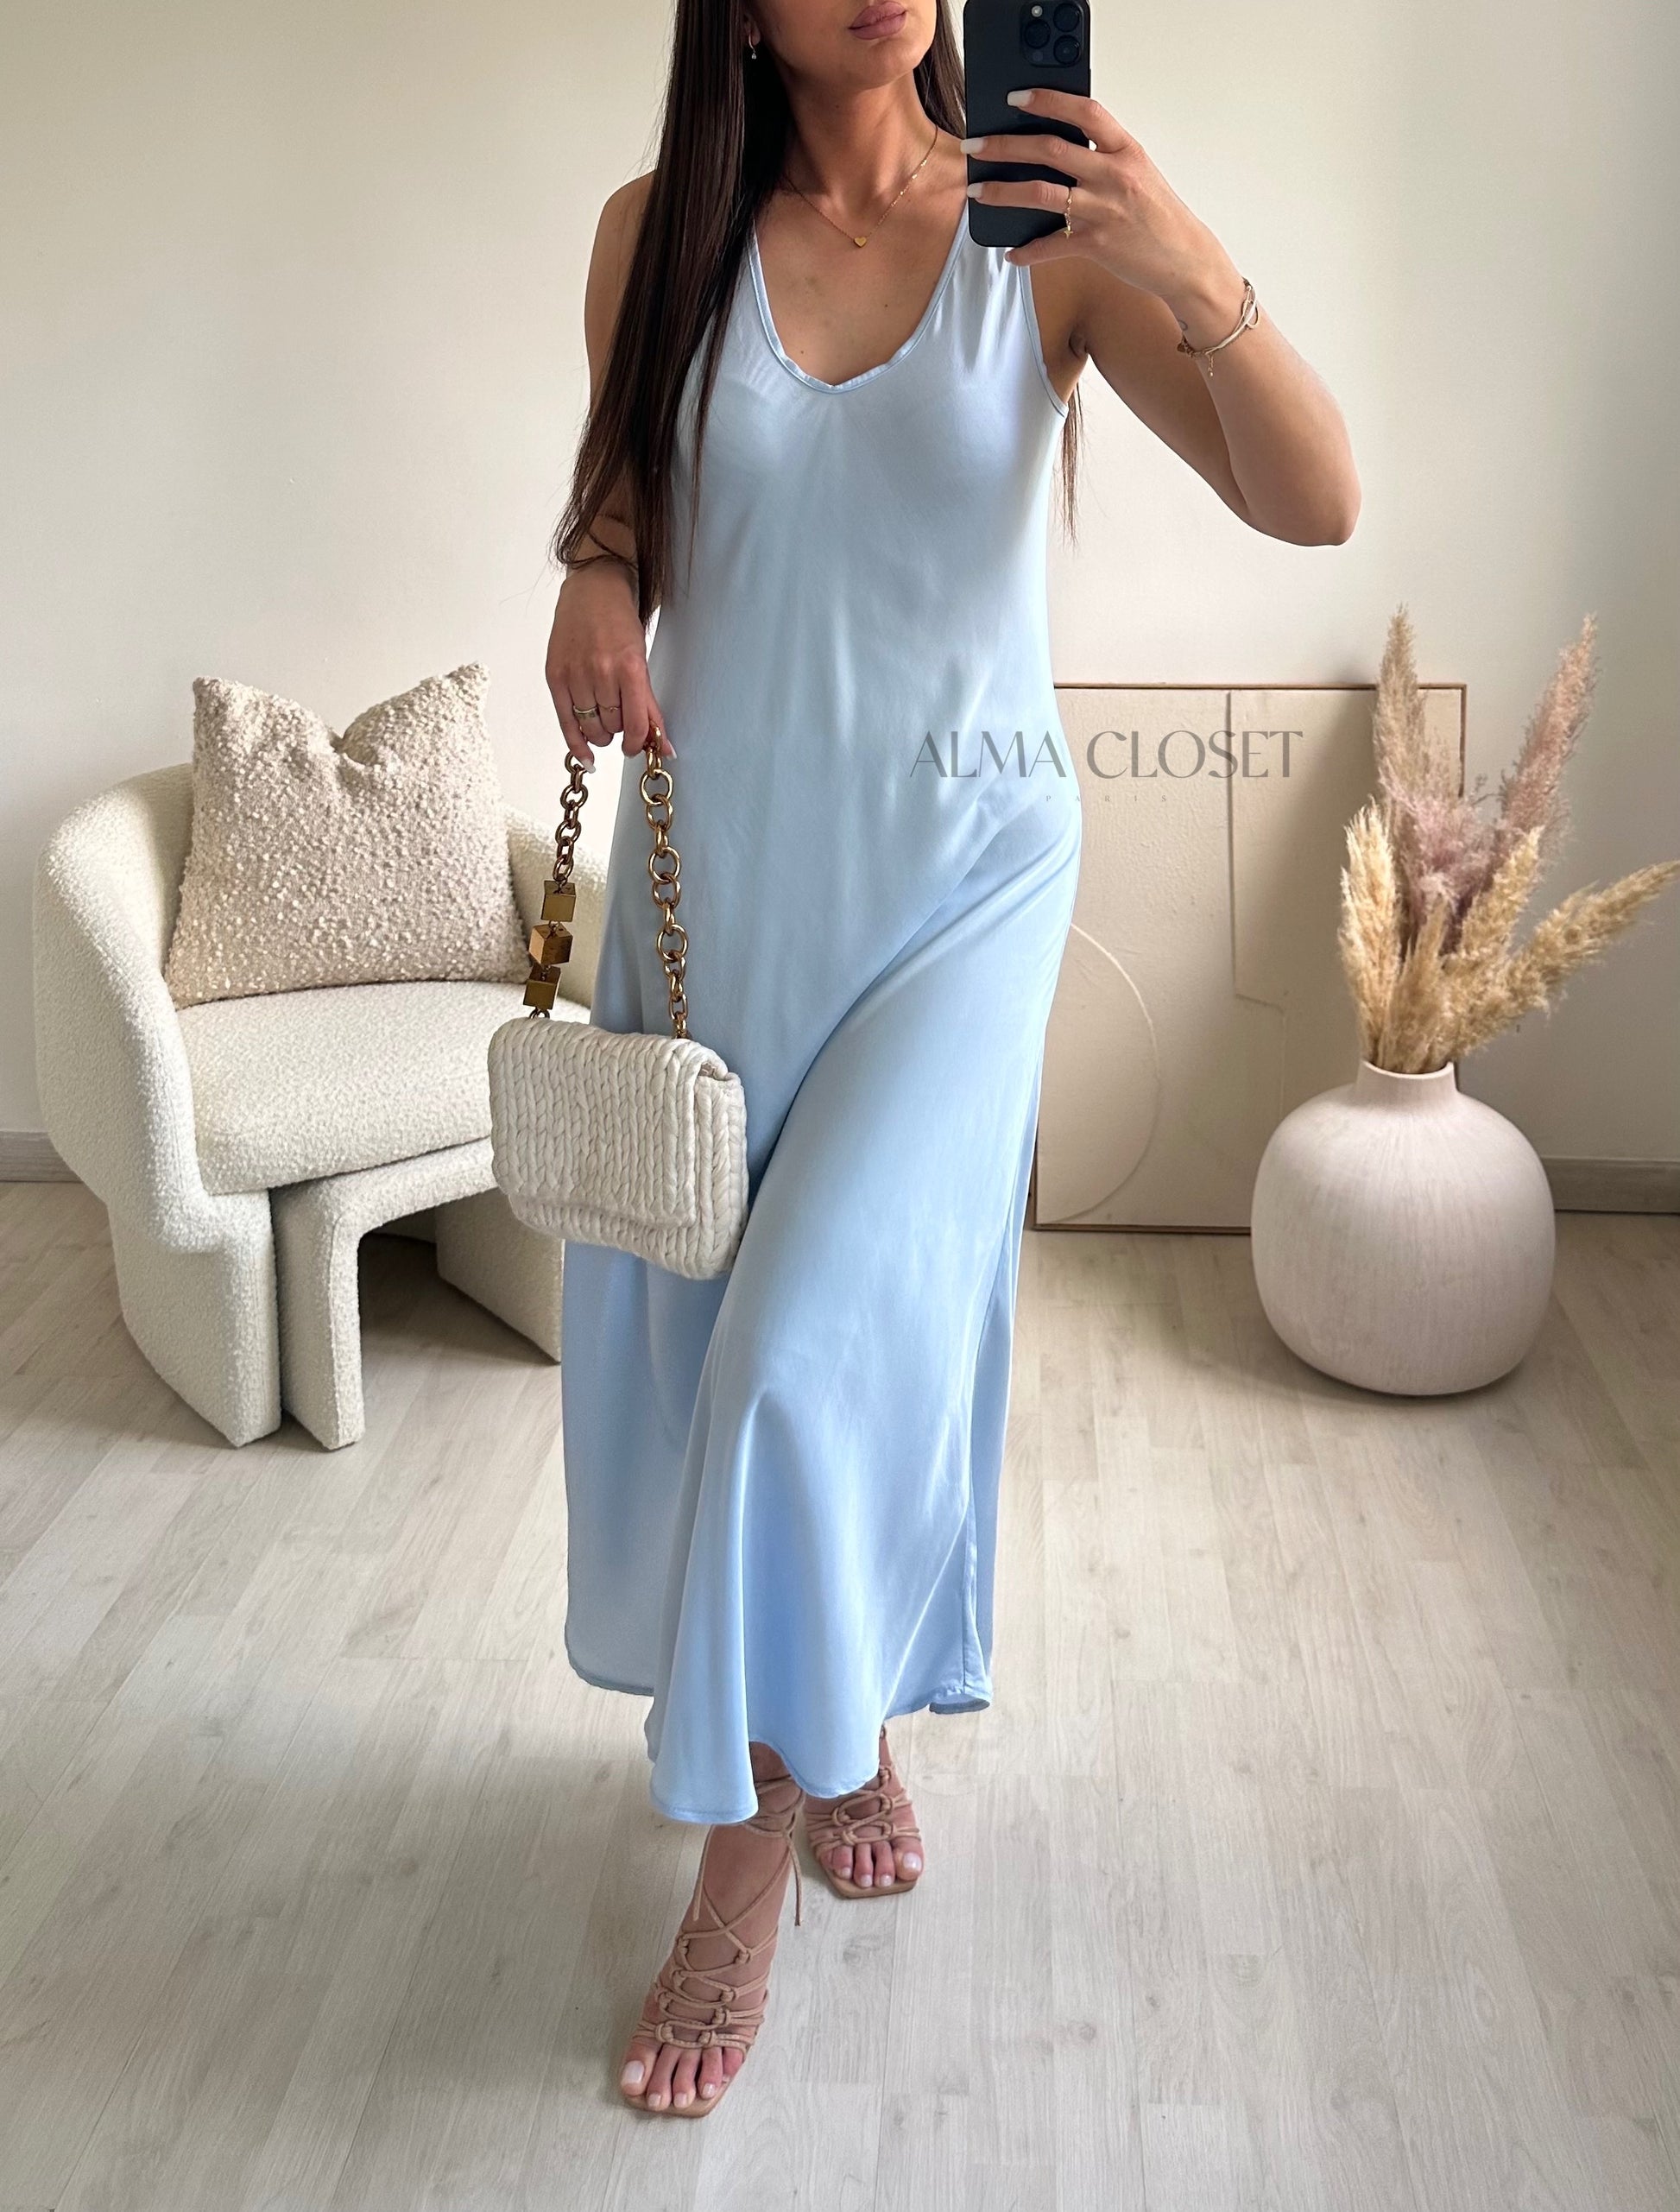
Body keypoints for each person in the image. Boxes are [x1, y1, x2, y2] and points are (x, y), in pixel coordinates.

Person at [542, 0, 1359, 2120]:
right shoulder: (657, 231)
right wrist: (595, 583)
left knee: (800, 1359)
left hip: (958, 898)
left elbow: (1318, 500)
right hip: (720, 886)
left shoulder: (1043, 242)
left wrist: (1186, 258)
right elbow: (624, 507)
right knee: (739, 1359)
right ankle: (843, 1733)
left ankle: (738, 1881)